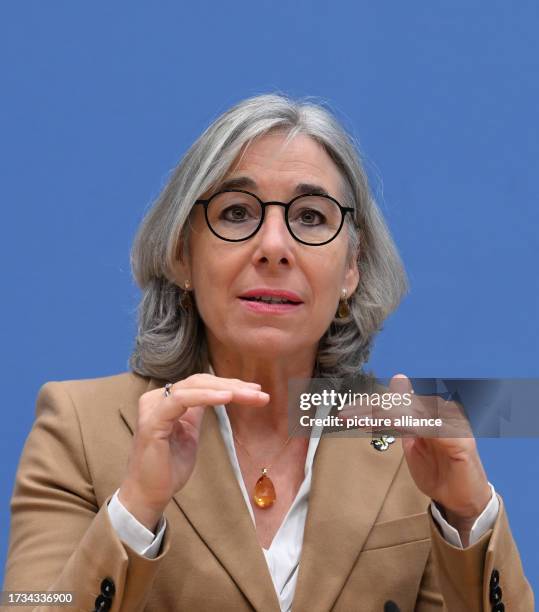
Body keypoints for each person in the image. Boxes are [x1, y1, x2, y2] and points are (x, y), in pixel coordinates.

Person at [3, 93, 533, 612]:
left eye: (310, 217)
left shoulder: (407, 440)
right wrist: (134, 511)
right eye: (236, 212)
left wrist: (468, 519)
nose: (275, 246)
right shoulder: (77, 425)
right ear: (183, 255)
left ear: (351, 269)